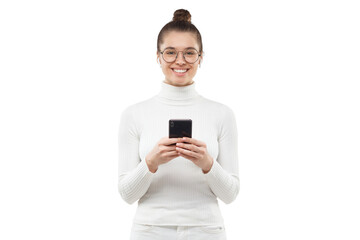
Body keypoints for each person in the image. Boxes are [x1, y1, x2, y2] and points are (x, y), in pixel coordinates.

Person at [118, 9, 239, 240]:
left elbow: (231, 194)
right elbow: (126, 194)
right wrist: (151, 162)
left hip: (207, 231)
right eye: (170, 52)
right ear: (158, 56)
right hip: (149, 231)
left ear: (201, 57)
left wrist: (207, 163)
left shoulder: (222, 114)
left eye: (189, 53)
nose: (180, 61)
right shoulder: (134, 114)